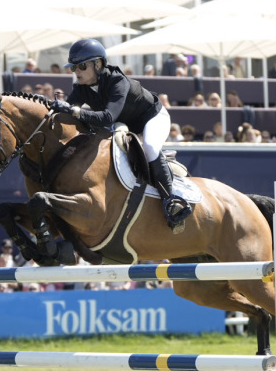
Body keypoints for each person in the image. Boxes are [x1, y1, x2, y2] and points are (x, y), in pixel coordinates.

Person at [51, 38, 191, 233]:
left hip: (151, 118)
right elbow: (69, 113)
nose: (77, 72)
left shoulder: (117, 81)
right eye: (74, 68)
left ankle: (172, 200)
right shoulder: (80, 88)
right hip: (125, 125)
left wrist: (74, 111)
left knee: (150, 147)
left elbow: (107, 116)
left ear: (98, 64)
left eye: (82, 66)